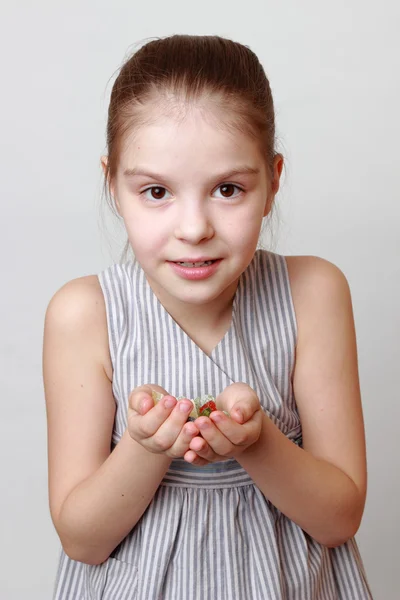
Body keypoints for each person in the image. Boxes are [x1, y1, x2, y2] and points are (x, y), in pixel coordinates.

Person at [43, 34, 373, 599]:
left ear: (272, 182)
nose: (194, 227)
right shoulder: (86, 314)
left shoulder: (313, 293)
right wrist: (146, 448)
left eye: (227, 189)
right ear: (112, 186)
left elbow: (339, 519)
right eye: (155, 191)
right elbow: (83, 540)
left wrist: (258, 442)